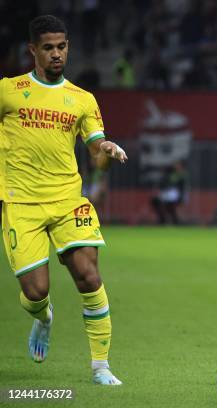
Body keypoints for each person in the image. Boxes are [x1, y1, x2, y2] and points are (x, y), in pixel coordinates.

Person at [0, 15, 127, 385]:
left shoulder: (82, 99)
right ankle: (43, 318)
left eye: (62, 47)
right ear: (33, 50)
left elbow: (94, 145)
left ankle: (101, 367)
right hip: (21, 204)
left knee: (89, 276)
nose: (57, 54)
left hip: (68, 200)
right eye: (49, 48)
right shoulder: (8, 90)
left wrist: (106, 147)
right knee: (36, 292)